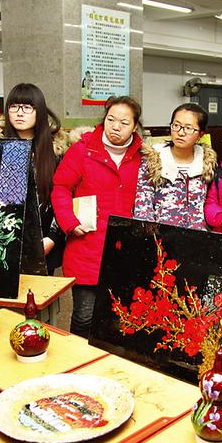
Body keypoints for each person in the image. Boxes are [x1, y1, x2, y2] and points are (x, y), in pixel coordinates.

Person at [51, 96, 149, 336]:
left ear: (135, 126)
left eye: (124, 123)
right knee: (84, 317)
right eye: (111, 119)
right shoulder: (82, 150)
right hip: (87, 245)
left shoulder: (145, 157)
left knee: (119, 318)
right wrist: (69, 222)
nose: (116, 127)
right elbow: (61, 187)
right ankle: (78, 358)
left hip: (125, 249)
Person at [0, 83, 67, 274]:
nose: (19, 113)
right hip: (2, 241)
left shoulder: (55, 152)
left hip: (44, 239)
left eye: (27, 107)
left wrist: (53, 237)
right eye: (14, 107)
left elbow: (64, 196)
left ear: (40, 111)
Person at [134, 103, 216, 230]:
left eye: (188, 128)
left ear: (201, 134)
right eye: (176, 126)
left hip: (197, 237)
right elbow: (143, 207)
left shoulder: (207, 162)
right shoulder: (153, 160)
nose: (181, 133)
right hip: (162, 237)